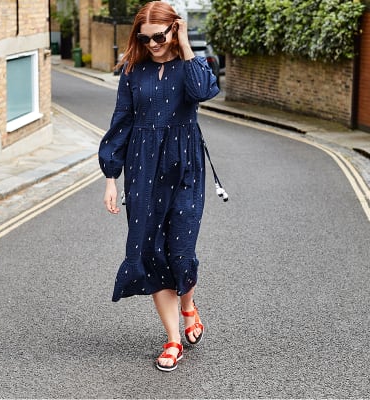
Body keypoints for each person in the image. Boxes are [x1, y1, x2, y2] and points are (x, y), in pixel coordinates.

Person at [98, 0, 220, 372]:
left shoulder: (190, 67)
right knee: (150, 251)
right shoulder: (133, 71)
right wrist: (110, 179)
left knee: (181, 250)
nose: (152, 43)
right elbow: (121, 122)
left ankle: (188, 307)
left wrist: (184, 45)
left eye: (159, 35)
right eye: (144, 36)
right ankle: (172, 339)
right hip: (142, 168)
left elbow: (204, 92)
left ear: (174, 29)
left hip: (185, 167)